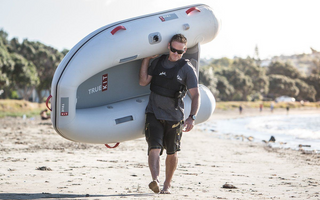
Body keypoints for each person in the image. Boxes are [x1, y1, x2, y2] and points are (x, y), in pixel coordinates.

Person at [139, 34, 200, 194]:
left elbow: (196, 95)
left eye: (179, 52)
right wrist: (146, 59)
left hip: (174, 117)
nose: (175, 54)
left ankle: (167, 184)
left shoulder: (187, 69)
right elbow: (143, 81)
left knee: (172, 152)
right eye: (173, 50)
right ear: (168, 46)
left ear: (184, 50)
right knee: (154, 148)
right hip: (153, 113)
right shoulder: (158, 62)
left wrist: (191, 117)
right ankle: (156, 180)